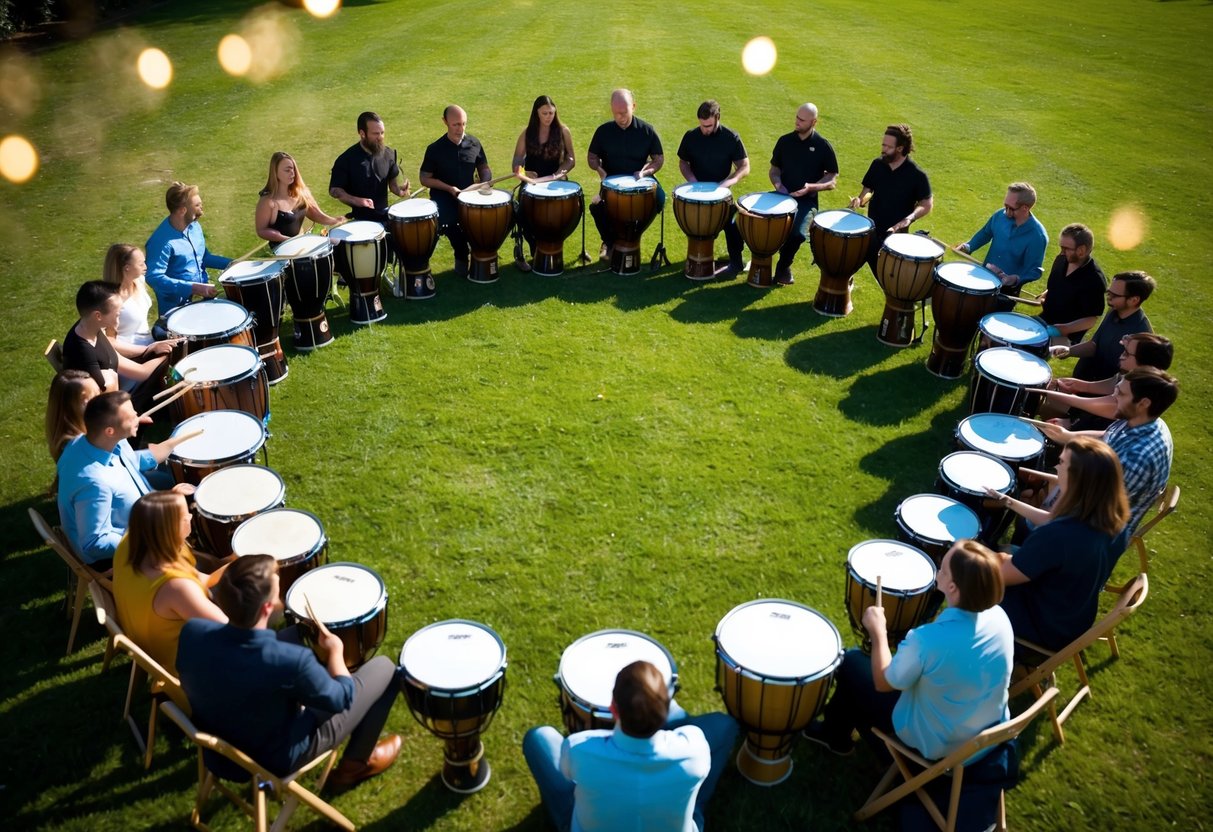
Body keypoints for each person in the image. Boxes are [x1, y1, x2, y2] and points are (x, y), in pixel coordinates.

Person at [176, 554, 403, 788]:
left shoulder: (193, 631)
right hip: (276, 756)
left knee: (296, 635)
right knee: (386, 668)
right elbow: (341, 698)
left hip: (219, 747)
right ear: (266, 608)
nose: (281, 601)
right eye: (277, 595)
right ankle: (354, 766)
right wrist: (336, 653)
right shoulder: (290, 663)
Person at [802, 540, 1013, 763]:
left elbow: (884, 682)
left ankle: (835, 736)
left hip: (941, 748)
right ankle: (837, 733)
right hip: (983, 738)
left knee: (852, 663)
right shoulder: (1000, 618)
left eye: (943, 568)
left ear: (952, 587)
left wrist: (879, 633)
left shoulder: (927, 640)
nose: (939, 567)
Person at [523, 659, 737, 832]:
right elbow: (698, 729)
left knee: (538, 737)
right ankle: (695, 806)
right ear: (667, 709)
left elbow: (567, 773)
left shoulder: (579, 748)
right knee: (725, 726)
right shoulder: (693, 751)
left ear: (613, 709)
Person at [993, 437, 1130, 652]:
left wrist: (968, 553)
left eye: (1062, 463)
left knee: (972, 578)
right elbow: (1053, 533)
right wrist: (1008, 501)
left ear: (1077, 480)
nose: (1057, 467)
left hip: (1041, 625)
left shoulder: (1060, 536)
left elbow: (1001, 576)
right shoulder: (1117, 524)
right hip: (1073, 617)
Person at [56, 391, 196, 570]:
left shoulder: (91, 442)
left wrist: (169, 446)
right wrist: (155, 538)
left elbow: (129, 461)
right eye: (131, 417)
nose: (138, 417)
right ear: (110, 431)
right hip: (126, 551)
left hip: (138, 512)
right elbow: (94, 542)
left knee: (171, 478)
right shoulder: (95, 483)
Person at [1037, 368, 1176, 537]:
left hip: (1095, 529)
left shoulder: (1138, 458)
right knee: (1033, 485)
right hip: (1091, 497)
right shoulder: (1142, 418)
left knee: (1028, 517)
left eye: (1121, 393)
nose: (1114, 396)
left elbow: (1095, 506)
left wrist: (1051, 494)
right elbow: (1108, 436)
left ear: (1143, 403)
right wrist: (1068, 436)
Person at [113, 491, 227, 674]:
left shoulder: (129, 544)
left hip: (156, 656)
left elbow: (204, 580)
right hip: (194, 676)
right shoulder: (176, 588)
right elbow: (234, 634)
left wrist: (241, 559)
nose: (191, 516)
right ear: (173, 527)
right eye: (186, 515)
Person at [62, 281, 168, 413]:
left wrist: (150, 348)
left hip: (117, 392)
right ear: (98, 316)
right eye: (117, 314)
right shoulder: (84, 353)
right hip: (109, 411)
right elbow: (141, 374)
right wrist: (166, 356)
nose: (119, 320)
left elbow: (118, 359)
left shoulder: (89, 327)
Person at [587, 88, 665, 262]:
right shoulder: (603, 131)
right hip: (611, 180)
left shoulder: (646, 131)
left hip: (639, 178)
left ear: (634, 107)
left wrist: (646, 172)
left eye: (624, 113)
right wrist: (601, 171)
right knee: (597, 206)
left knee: (660, 198)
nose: (620, 118)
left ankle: (634, 235)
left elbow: (658, 159)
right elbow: (592, 156)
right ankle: (608, 241)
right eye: (616, 113)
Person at [677, 99, 752, 275]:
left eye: (709, 125)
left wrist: (726, 184)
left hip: (721, 194)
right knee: (697, 227)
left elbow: (744, 166)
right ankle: (696, 258)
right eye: (702, 125)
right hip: (696, 193)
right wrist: (692, 181)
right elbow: (683, 162)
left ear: (718, 118)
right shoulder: (691, 136)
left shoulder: (730, 137)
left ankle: (735, 262)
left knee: (733, 225)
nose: (705, 129)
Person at [766, 102, 838, 285]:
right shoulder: (785, 141)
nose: (797, 122)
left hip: (806, 201)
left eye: (802, 120)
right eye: (797, 117)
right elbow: (774, 170)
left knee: (797, 234)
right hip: (781, 195)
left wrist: (812, 187)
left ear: (814, 122)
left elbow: (832, 179)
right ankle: (757, 262)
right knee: (748, 216)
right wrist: (777, 183)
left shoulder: (823, 146)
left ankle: (783, 267)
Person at [849, 124, 933, 275]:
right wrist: (858, 200)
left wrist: (910, 218)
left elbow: (926, 204)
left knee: (886, 278)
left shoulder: (916, 175)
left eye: (888, 147)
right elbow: (866, 192)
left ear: (900, 148)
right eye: (883, 144)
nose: (883, 149)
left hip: (895, 236)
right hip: (871, 230)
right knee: (847, 265)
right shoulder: (877, 165)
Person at [1040, 332, 1172, 428]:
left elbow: (1107, 405)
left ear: (1145, 364)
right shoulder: (1132, 376)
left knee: (1039, 406)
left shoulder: (1136, 395)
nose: (1121, 356)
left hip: (1091, 436)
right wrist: (1082, 386)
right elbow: (1114, 382)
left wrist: (1043, 391)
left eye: (1126, 353)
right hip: (1085, 422)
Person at [420, 105, 492, 276]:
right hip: (444, 196)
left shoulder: (474, 143)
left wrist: (486, 180)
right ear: (445, 122)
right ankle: (461, 254)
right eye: (456, 125)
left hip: (470, 195)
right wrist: (449, 188)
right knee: (449, 221)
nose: (461, 129)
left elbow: (484, 168)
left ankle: (482, 256)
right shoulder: (435, 149)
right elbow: (425, 178)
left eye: (463, 124)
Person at [511, 95, 577, 272]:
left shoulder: (563, 131)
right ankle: (533, 248)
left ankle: (549, 248)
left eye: (551, 113)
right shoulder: (527, 133)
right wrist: (524, 172)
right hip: (533, 182)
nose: (549, 117)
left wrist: (559, 173)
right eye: (545, 113)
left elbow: (571, 158)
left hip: (555, 181)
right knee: (523, 214)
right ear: (536, 113)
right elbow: (517, 160)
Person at [1050, 270, 1155, 381]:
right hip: (1081, 380)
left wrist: (1085, 387)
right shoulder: (1114, 311)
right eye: (1108, 293)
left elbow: (1125, 380)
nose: (1108, 297)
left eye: (1114, 295)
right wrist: (1068, 351)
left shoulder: (1142, 335)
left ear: (1134, 300)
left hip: (1100, 393)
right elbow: (1094, 345)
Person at [145, 181, 231, 312]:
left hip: (203, 299)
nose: (202, 208)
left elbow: (203, 257)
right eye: (197, 205)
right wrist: (193, 288)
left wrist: (232, 264)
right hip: (177, 310)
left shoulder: (194, 227)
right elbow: (154, 278)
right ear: (182, 210)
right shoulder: (161, 242)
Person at [955, 183, 1048, 299]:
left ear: (1025, 208)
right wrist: (968, 247)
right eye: (1005, 206)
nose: (1007, 212)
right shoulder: (1000, 215)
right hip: (982, 279)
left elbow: (1034, 270)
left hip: (1005, 293)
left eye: (1011, 209)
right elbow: (985, 233)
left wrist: (1015, 279)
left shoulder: (1037, 236)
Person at [328, 112, 411, 224]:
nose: (380, 137)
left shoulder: (389, 154)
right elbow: (335, 190)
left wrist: (401, 191)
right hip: (361, 220)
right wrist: (357, 201)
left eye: (382, 133)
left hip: (385, 215)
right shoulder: (346, 159)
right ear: (362, 133)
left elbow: (392, 185)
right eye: (376, 134)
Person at [100, 244, 175, 366]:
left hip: (150, 343)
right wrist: (147, 350)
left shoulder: (139, 281)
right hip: (132, 357)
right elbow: (110, 341)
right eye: (141, 264)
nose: (145, 267)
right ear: (127, 268)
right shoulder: (111, 301)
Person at [1036, 223, 1107, 344]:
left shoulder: (1094, 280)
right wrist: (1048, 292)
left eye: (1066, 248)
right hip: (1046, 319)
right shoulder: (1062, 259)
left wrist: (1065, 328)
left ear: (1081, 250)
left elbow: (1091, 318)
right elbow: (1064, 284)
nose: (1061, 252)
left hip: (1066, 335)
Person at [256, 151, 344, 243]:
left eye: (293, 169)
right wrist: (287, 240)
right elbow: (261, 230)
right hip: (283, 249)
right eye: (287, 170)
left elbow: (316, 215)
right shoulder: (267, 201)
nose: (292, 173)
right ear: (275, 172)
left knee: (338, 242)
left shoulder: (301, 192)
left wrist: (338, 221)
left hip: (302, 242)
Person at [46, 369, 100, 465]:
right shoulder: (78, 448)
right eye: (93, 399)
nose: (102, 402)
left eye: (99, 395)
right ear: (69, 407)